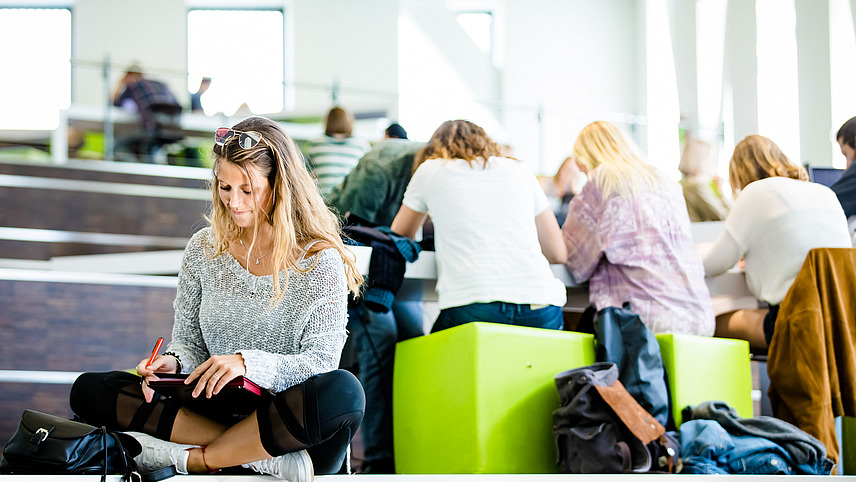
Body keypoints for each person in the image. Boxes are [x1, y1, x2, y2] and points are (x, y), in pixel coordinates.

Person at [68, 116, 366, 480]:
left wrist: (247, 364)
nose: (234, 202)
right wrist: (173, 364)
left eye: (247, 189)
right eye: (225, 187)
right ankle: (252, 459)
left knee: (345, 392)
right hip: (213, 407)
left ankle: (195, 461)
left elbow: (320, 363)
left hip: (284, 420)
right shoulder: (203, 250)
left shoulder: (319, 260)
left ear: (280, 186)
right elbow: (189, 343)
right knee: (90, 390)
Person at [391, 119, 567, 333]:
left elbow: (398, 235)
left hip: (473, 303)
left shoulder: (432, 169)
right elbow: (558, 253)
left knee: (424, 360)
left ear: (435, 147)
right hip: (542, 304)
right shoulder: (520, 170)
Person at [326, 127, 425, 474]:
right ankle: (379, 461)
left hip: (392, 271)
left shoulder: (439, 172)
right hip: (349, 260)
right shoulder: (381, 166)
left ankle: (414, 452)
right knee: (382, 334)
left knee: (416, 338)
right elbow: (347, 227)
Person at [562, 121, 714, 336]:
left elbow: (574, 262)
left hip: (643, 321)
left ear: (586, 159)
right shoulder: (665, 181)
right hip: (700, 315)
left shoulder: (602, 180)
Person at [702, 134, 851, 351]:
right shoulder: (824, 192)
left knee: (711, 322)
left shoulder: (755, 192)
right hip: (844, 321)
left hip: (798, 323)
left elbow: (714, 264)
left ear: (739, 172)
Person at [112, 64, 183, 162]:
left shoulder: (134, 86)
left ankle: (134, 171)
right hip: (173, 130)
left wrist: (119, 83)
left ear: (128, 76)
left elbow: (115, 102)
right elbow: (178, 104)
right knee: (147, 147)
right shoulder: (162, 84)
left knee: (118, 145)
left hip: (152, 130)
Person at [307, 106, 371, 196]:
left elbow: (310, 176)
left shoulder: (316, 144)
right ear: (349, 121)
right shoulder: (361, 145)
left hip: (323, 202)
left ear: (327, 121)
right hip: (349, 202)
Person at [678, 138, 731, 222]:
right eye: (710, 157)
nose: (712, 162)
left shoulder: (683, 184)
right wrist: (720, 193)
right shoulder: (696, 187)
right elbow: (725, 216)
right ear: (700, 159)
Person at [543, 156, 588, 226]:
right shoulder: (545, 184)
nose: (568, 175)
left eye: (573, 173)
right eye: (567, 170)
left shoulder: (572, 195)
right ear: (561, 168)